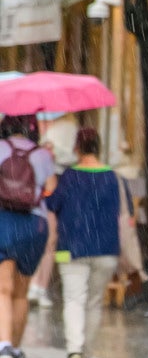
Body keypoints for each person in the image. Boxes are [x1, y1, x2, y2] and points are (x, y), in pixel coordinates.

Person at [45, 127, 132, 358]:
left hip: (70, 248)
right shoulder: (114, 177)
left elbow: (52, 204)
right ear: (99, 146)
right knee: (94, 302)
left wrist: (52, 181)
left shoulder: (69, 176)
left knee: (73, 299)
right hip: (106, 249)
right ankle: (87, 354)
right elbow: (125, 214)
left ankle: (74, 349)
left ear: (77, 148)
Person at [0, 114, 56, 358]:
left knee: (3, 289)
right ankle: (17, 347)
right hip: (35, 224)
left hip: (4, 220)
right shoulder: (42, 154)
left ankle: (3, 346)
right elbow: (50, 189)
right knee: (21, 292)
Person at [27, 113, 78, 309]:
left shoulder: (53, 136)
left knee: (50, 241)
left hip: (48, 195)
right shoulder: (39, 144)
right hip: (48, 195)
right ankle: (36, 285)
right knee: (48, 241)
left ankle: (39, 286)